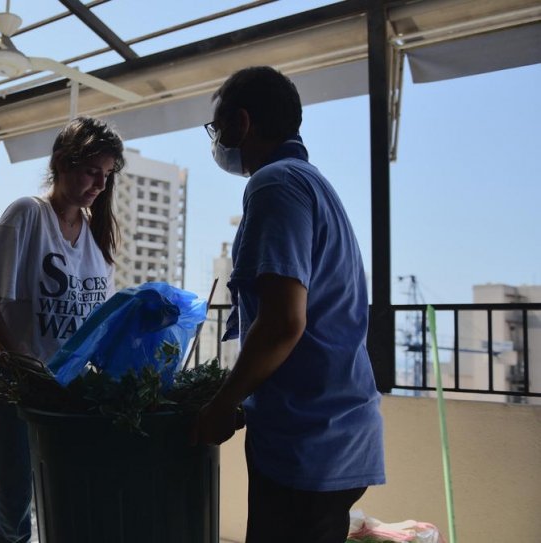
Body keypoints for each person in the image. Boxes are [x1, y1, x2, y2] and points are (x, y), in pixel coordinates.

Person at [191, 66, 385, 543]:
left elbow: (281, 323)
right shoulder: (312, 183)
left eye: (218, 129)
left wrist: (223, 403)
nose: (218, 141)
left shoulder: (275, 184)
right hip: (335, 432)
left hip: (309, 444)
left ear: (242, 123)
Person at [0, 115, 123, 543]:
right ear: (61, 162)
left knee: (61, 500)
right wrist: (22, 363)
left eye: (106, 175)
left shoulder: (96, 239)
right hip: (6, 385)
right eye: (92, 171)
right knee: (12, 513)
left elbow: (97, 322)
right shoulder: (27, 215)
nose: (99, 184)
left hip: (61, 387)